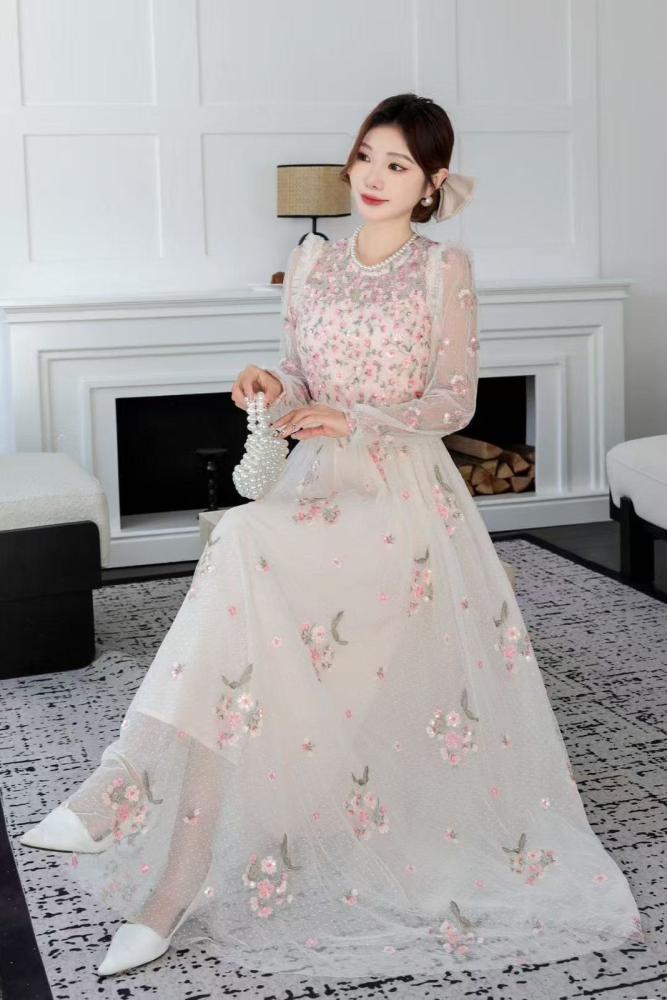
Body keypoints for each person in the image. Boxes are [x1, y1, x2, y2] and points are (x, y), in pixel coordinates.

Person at [19, 93, 645, 979]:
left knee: (239, 549)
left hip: (400, 502)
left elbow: (454, 402)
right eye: (364, 156)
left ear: (430, 182)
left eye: (398, 165)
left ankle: (125, 803)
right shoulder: (311, 262)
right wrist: (267, 385)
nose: (373, 177)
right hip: (315, 488)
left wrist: (357, 419)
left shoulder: (443, 269)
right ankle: (166, 868)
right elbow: (299, 374)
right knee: (237, 619)